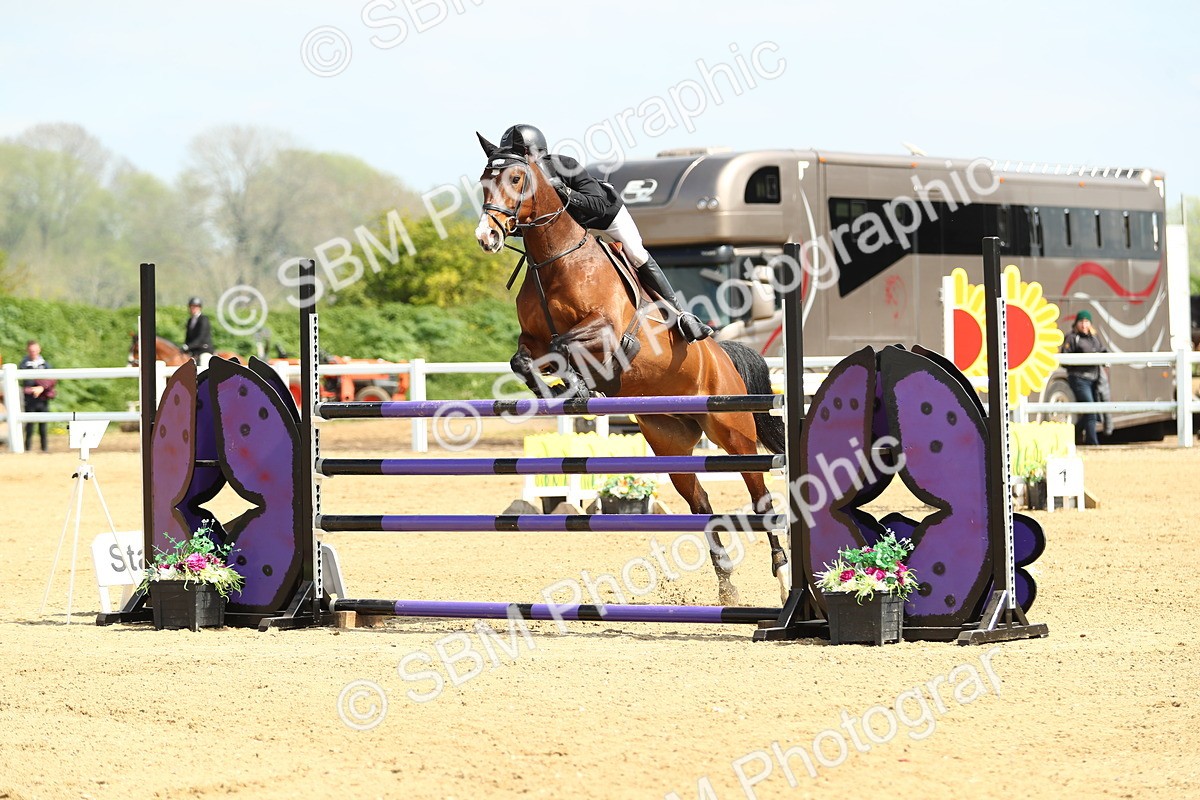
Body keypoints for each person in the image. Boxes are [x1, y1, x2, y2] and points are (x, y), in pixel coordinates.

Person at [496, 124, 714, 343]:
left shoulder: (564, 165)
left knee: (636, 253)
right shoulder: (523, 184)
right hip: (576, 228)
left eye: (517, 155)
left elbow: (598, 205)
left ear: (531, 153)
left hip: (607, 216)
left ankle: (681, 315)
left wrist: (565, 190)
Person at [1061, 310, 1107, 446]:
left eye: (1086, 321)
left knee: (1090, 412)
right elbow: (1064, 358)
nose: (1084, 324)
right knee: (1091, 410)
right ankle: (1093, 443)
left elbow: (1102, 350)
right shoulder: (1071, 337)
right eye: (1081, 321)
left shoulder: (1094, 337)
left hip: (1094, 378)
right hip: (1079, 379)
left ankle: (1072, 435)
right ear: (1076, 323)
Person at [18, 339, 56, 453]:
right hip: (30, 399)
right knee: (29, 426)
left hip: (42, 398)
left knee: (43, 426)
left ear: (39, 350)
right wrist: (34, 388)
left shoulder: (45, 364)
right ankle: (28, 448)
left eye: (35, 350)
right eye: (31, 350)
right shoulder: (24, 364)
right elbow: (26, 382)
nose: (33, 352)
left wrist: (41, 388)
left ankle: (44, 448)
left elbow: (52, 379)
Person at [181, 297, 214, 366]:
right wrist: (185, 346)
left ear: (199, 308)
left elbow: (200, 337)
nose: (193, 309)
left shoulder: (204, 319)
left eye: (195, 307)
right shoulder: (190, 320)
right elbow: (188, 337)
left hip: (203, 349)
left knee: (203, 361)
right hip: (193, 351)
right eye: (192, 307)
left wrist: (188, 346)